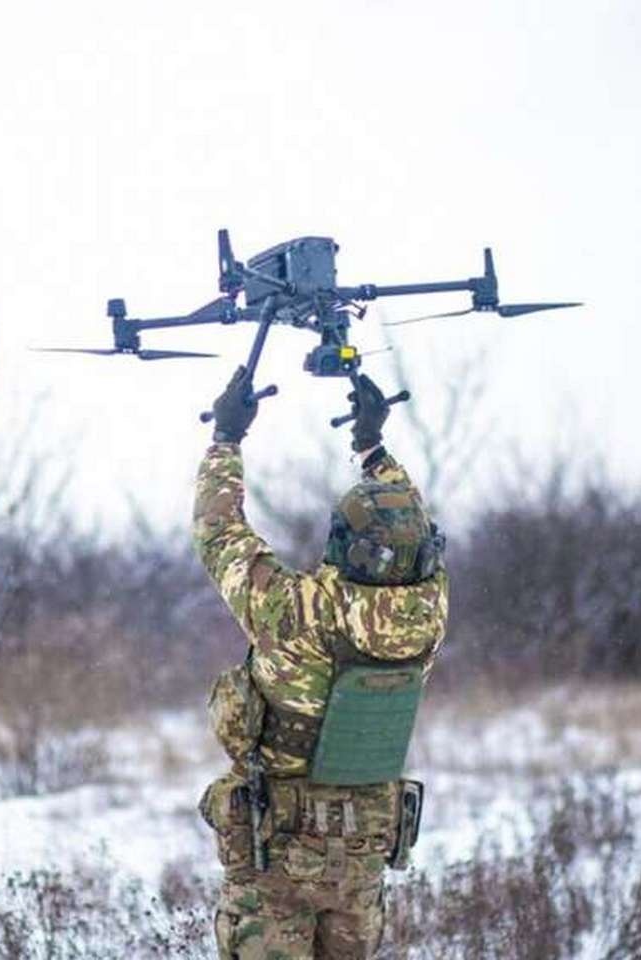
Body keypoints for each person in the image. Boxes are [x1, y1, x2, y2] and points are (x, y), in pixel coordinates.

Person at [193, 367, 449, 960]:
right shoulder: (430, 611)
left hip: (276, 846)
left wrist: (226, 440)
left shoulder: (299, 610)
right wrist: (373, 446)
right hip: (363, 851)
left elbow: (219, 533)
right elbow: (408, 523)